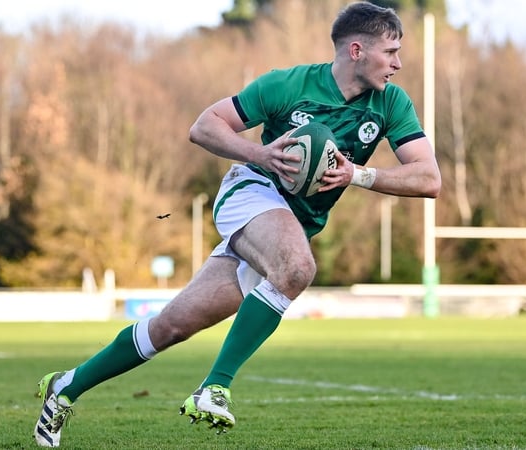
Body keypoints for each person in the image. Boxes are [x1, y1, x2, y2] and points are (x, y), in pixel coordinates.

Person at [32, 2, 441, 447]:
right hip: (249, 193)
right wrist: (259, 154)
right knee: (297, 268)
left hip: (290, 225)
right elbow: (204, 126)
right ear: (357, 50)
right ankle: (215, 388)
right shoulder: (288, 84)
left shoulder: (391, 103)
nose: (399, 64)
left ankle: (64, 387)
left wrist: (359, 174)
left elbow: (429, 177)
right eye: (391, 52)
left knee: (172, 326)